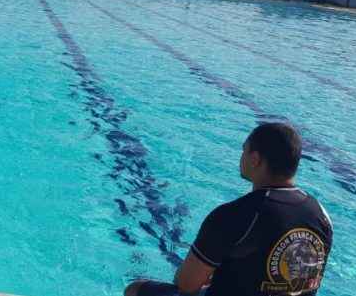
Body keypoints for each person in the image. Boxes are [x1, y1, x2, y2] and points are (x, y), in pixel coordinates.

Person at [124, 123, 333, 296]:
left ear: (255, 159)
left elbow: (187, 285)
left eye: (244, 150)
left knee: (135, 289)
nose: (241, 157)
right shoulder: (321, 214)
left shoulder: (235, 214)